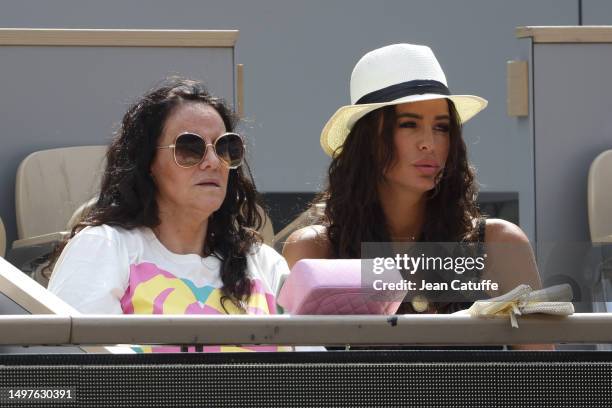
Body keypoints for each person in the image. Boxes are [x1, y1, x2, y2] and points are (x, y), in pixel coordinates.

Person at [283, 44, 547, 348]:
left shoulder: (499, 243)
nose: (429, 143)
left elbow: (543, 379)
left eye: (442, 127)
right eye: (409, 124)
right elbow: (304, 379)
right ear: (368, 140)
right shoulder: (314, 249)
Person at [48, 78, 289, 352]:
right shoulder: (104, 248)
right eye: (190, 148)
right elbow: (82, 371)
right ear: (148, 162)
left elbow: (313, 375)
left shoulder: (265, 264)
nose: (212, 161)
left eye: (224, 148)